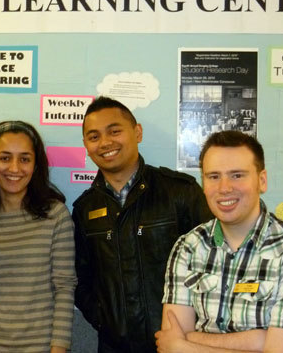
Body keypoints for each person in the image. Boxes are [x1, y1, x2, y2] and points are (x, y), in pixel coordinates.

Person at [157, 130, 283, 353]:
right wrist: (259, 340)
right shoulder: (188, 247)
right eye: (214, 176)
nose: (224, 188)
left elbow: (176, 346)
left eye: (237, 175)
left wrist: (187, 346)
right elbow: (171, 340)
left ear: (262, 180)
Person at [73, 97, 212, 352]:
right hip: (114, 346)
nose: (105, 142)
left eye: (115, 131)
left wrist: (191, 326)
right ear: (86, 145)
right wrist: (104, 319)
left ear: (137, 132)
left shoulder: (180, 192)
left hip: (181, 345)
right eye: (94, 137)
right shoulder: (85, 209)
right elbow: (80, 277)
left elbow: (215, 263)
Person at [0, 121, 77, 353]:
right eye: (5, 158)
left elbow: (64, 287)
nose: (15, 168)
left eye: (25, 159)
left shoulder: (55, 216)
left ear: (35, 165)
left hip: (39, 347)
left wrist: (59, 347)